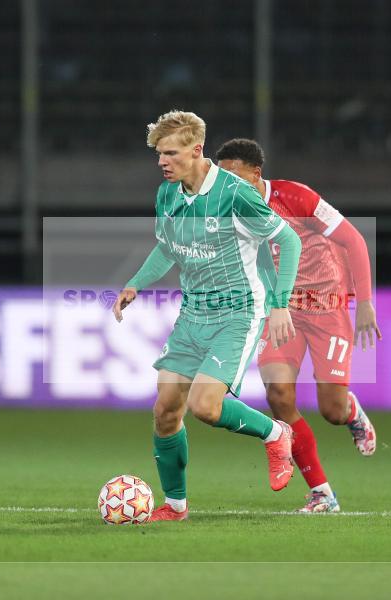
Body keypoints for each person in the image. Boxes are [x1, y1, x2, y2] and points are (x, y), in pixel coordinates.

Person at [112, 111, 304, 522]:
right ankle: (176, 506)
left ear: (197, 150)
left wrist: (281, 303)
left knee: (205, 406)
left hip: (238, 312)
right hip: (193, 312)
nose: (162, 162)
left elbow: (287, 239)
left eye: (171, 153)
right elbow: (167, 246)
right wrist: (135, 284)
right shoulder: (167, 194)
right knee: (165, 410)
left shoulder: (235, 193)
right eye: (159, 154)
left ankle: (277, 433)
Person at [215, 138, 381, 513]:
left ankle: (351, 412)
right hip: (281, 311)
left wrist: (365, 303)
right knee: (278, 396)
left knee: (332, 410)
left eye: (231, 174)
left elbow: (353, 240)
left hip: (327, 308)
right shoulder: (229, 212)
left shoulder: (297, 197)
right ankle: (322, 492)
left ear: (255, 173)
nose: (224, 183)